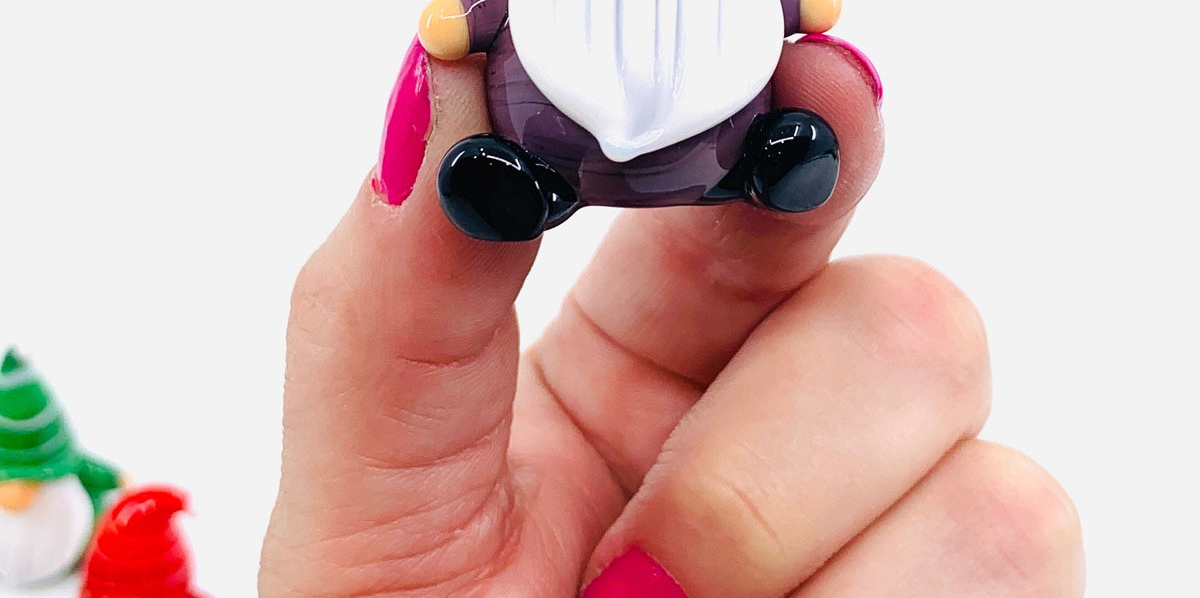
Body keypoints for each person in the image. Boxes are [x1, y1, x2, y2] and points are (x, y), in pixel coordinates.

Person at [258, 38, 1084, 597]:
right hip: (554, 140)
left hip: (716, 140)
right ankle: (522, 185)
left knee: (987, 486)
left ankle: (769, 160)